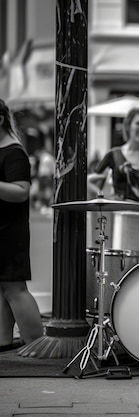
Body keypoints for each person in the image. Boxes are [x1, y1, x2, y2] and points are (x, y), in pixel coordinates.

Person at [0, 99, 44, 351]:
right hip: (3, 230)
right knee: (4, 289)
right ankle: (4, 341)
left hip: (9, 232)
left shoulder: (14, 152)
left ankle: (36, 345)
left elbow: (20, 191)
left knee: (15, 289)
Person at [87, 107, 139, 212]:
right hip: (121, 216)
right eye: (138, 123)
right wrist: (105, 198)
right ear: (128, 126)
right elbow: (90, 180)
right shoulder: (113, 155)